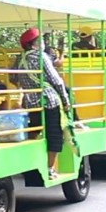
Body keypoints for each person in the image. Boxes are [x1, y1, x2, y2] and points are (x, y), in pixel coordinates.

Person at [12, 27, 74, 181]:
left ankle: (31, 164)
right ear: (34, 44)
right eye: (40, 40)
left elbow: (13, 78)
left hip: (30, 103)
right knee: (54, 135)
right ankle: (49, 169)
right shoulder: (42, 57)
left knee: (33, 133)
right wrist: (66, 102)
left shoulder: (19, 58)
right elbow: (57, 81)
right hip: (48, 100)